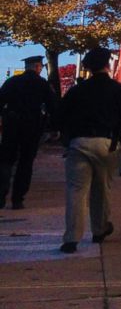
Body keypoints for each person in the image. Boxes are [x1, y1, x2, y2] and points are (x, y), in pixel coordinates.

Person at [55, 47, 121, 253]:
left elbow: (60, 116)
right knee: (102, 189)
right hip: (106, 143)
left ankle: (71, 238)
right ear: (107, 65)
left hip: (78, 142)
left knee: (76, 191)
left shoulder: (77, 90)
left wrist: (66, 139)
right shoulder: (118, 90)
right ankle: (99, 229)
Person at [0, 56, 58, 209]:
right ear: (38, 67)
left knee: (6, 160)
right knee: (26, 162)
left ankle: (1, 195)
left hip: (11, 124)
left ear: (27, 67)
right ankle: (18, 199)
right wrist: (54, 128)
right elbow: (52, 106)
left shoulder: (12, 82)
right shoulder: (42, 84)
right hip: (32, 125)